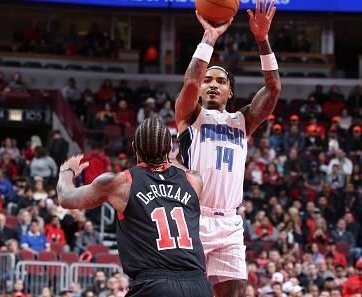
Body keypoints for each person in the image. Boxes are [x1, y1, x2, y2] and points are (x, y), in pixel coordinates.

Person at [175, 1, 281, 296]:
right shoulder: (190, 116)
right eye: (208, 80)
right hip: (193, 217)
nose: (212, 84)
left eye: (220, 81)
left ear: (230, 91)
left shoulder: (243, 121)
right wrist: (209, 37)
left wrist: (262, 40)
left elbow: (273, 90)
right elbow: (190, 82)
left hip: (230, 224)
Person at [57, 118, 213, 297]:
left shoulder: (121, 183)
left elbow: (66, 198)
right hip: (199, 285)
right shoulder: (193, 180)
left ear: (134, 147)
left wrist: (66, 172)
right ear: (169, 148)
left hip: (155, 285)